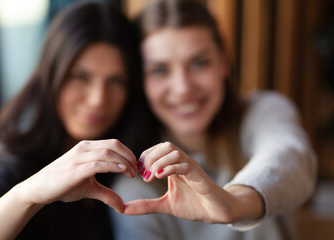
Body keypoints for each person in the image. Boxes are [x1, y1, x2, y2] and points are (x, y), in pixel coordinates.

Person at [110, 0, 317, 239]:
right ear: (140, 80)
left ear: (224, 59)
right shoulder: (133, 189)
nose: (183, 88)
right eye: (160, 70)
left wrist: (233, 203)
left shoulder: (263, 111)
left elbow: (290, 155)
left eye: (199, 63)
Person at [0, 1, 143, 239]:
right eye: (81, 76)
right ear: (52, 74)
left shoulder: (131, 163)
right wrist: (27, 196)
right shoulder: (9, 169)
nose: (97, 99)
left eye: (116, 81)